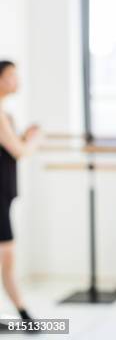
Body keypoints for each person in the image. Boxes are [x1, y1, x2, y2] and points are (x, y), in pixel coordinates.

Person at [0, 60, 42, 327]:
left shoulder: (6, 113)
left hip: (3, 195)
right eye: (12, 76)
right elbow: (19, 151)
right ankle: (25, 316)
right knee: (8, 257)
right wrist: (34, 140)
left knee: (7, 258)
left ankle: (23, 315)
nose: (18, 81)